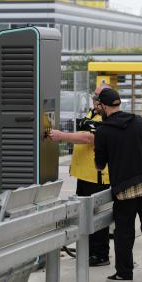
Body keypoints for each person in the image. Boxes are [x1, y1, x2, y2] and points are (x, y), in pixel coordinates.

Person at [93, 87, 142, 282]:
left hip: (123, 189)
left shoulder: (103, 131)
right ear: (118, 103)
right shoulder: (138, 121)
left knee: (124, 232)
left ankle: (124, 273)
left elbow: (100, 164)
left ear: (103, 106)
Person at [48, 84, 111, 266]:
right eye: (94, 95)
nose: (94, 98)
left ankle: (100, 255)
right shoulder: (93, 113)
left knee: (97, 217)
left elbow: (88, 138)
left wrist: (61, 136)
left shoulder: (105, 117)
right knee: (86, 215)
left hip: (97, 176)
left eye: (97, 96)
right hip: (85, 175)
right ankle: (91, 250)